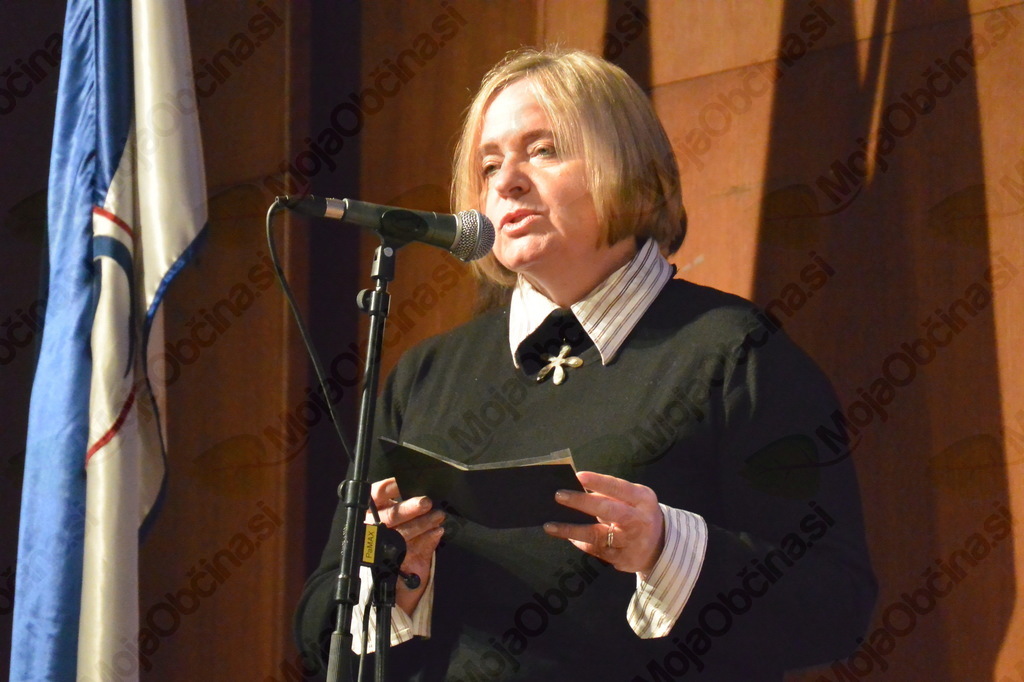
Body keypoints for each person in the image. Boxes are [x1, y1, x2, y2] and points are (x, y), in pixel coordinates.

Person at [295, 47, 876, 681]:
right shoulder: (427, 375)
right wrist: (393, 577)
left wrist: (665, 549)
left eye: (543, 150)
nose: (507, 182)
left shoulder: (734, 353)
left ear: (629, 166)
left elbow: (836, 605)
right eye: (489, 165)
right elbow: (319, 629)